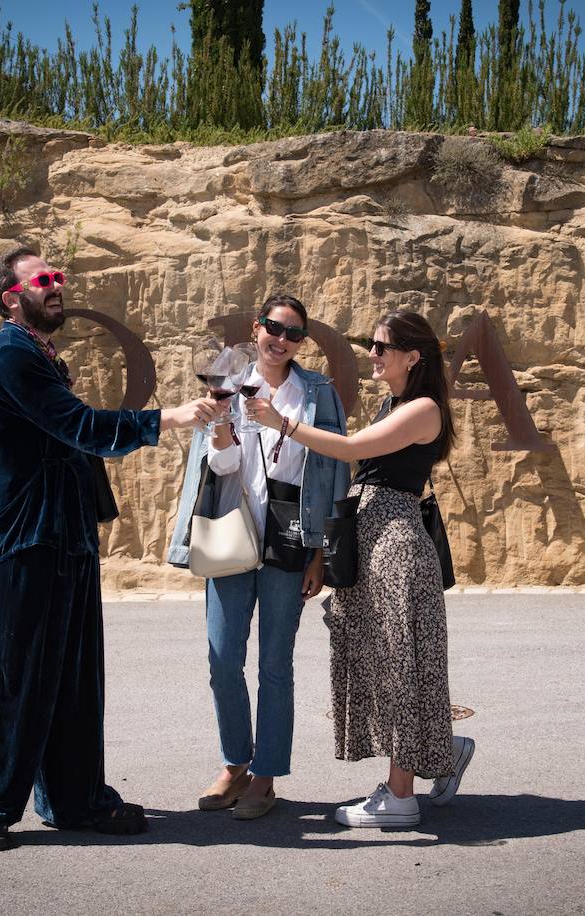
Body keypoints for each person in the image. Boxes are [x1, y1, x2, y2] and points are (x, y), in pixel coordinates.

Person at [0, 247, 221, 852]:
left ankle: (74, 799)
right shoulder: (9, 355)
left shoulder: (40, 352)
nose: (57, 286)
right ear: (11, 299)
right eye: (43, 280)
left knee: (73, 677)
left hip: (66, 531)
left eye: (59, 277)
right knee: (13, 674)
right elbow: (80, 427)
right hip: (29, 533)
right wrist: (170, 418)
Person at [248, 310, 474, 829]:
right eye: (371, 345)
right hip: (372, 541)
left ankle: (400, 798)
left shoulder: (422, 409)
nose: (371, 354)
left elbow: (350, 450)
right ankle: (440, 748)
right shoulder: (392, 403)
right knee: (381, 663)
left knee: (398, 665)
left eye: (381, 346)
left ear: (412, 357)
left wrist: (282, 424)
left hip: (395, 547)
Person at [166, 294, 351, 820]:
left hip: (291, 536)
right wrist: (222, 424)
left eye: (294, 333)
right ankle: (235, 764)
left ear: (302, 342)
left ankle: (265, 776)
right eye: (274, 327)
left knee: (274, 663)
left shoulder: (317, 393)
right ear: (256, 328)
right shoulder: (227, 383)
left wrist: (320, 554)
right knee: (223, 659)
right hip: (231, 531)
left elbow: (333, 470)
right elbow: (220, 466)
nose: (281, 339)